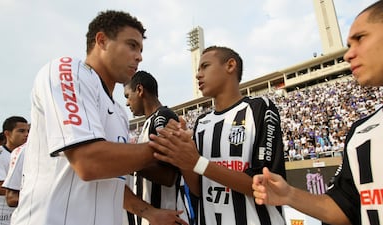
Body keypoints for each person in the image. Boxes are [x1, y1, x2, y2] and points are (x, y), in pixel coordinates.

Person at [10, 10, 187, 225]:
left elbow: (111, 181)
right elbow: (88, 161)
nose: (139, 56)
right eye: (132, 45)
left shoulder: (120, 113)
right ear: (101, 40)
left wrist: (149, 212)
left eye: (140, 49)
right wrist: (168, 148)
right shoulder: (68, 70)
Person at [252, 1, 383, 225]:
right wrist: (289, 195)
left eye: (360, 38)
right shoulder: (361, 133)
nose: (348, 55)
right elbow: (345, 209)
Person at [149, 46, 286, 225]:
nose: (198, 75)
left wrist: (196, 162)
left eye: (205, 66)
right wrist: (182, 156)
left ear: (230, 66)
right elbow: (199, 188)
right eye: (198, 69)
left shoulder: (259, 108)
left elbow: (265, 186)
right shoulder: (201, 122)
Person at [123, 70, 192, 225]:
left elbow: (168, 176)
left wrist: (125, 162)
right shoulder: (149, 121)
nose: (127, 103)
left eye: (127, 96)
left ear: (140, 90)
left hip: (167, 215)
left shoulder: (163, 117)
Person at [0, 116, 29, 225]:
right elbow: (0, 188)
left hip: (19, 214)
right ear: (7, 133)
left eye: (28, 131)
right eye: (21, 131)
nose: (26, 134)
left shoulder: (28, 154)